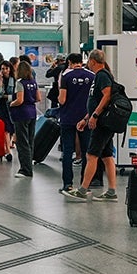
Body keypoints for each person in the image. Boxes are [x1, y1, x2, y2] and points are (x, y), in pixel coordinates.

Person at [69, 49, 122, 202]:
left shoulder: (102, 75)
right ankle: (112, 191)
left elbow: (107, 95)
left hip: (102, 123)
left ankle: (83, 189)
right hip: (101, 121)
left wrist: (95, 115)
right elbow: (96, 100)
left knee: (91, 155)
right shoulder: (100, 76)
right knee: (106, 156)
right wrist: (86, 118)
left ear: (92, 61)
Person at [56, 52, 92, 195]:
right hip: (86, 118)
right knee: (86, 152)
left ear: (70, 62)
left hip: (68, 118)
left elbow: (62, 100)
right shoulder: (92, 76)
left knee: (67, 152)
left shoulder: (66, 76)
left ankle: (68, 184)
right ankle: (85, 184)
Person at [9, 58, 41, 177]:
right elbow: (38, 98)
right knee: (30, 140)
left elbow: (20, 100)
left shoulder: (20, 83)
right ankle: (29, 165)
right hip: (32, 113)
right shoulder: (33, 82)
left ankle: (25, 169)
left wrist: (11, 103)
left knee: (22, 142)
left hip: (21, 114)